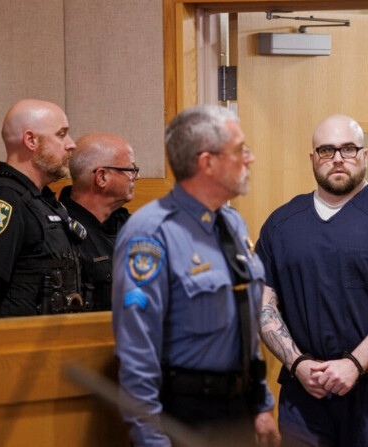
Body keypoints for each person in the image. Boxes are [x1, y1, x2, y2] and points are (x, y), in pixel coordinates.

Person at [256, 114, 368, 447]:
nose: (338, 159)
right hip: (305, 394)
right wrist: (298, 363)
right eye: (326, 150)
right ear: (313, 158)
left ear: (364, 156)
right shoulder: (281, 224)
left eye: (348, 149)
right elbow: (262, 303)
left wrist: (355, 363)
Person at [112, 105, 280, 447]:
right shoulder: (151, 233)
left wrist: (261, 405)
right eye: (240, 150)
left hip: (238, 411)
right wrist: (151, 439)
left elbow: (244, 325)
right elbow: (137, 351)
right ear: (208, 163)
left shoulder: (231, 224)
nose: (250, 158)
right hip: (185, 416)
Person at [0, 99, 86, 320]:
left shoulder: (45, 201)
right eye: (61, 134)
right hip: (16, 347)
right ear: (31, 140)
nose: (71, 144)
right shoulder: (4, 198)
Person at [59, 133, 136, 311]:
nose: (136, 177)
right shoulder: (59, 231)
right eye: (130, 170)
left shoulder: (133, 226)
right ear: (102, 177)